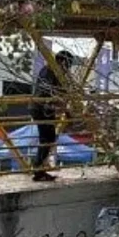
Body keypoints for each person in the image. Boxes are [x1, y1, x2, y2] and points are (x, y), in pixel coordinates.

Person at [30, 50, 73, 182]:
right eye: (68, 65)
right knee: (46, 138)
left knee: (48, 137)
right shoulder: (49, 71)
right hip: (42, 108)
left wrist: (66, 111)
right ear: (63, 62)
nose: (68, 69)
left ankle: (39, 168)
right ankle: (38, 169)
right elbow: (50, 92)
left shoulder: (53, 72)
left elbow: (61, 93)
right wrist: (66, 111)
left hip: (45, 108)